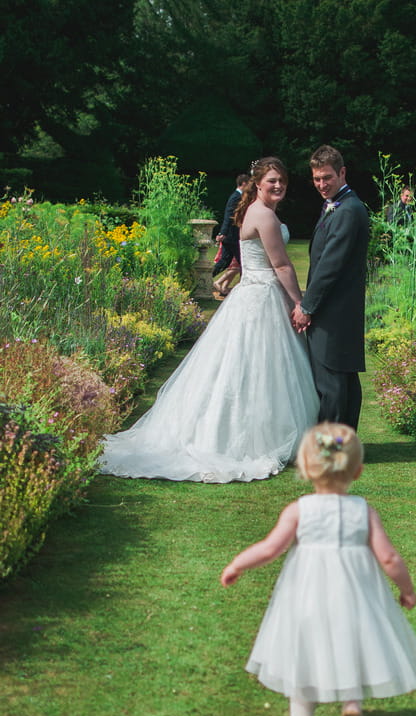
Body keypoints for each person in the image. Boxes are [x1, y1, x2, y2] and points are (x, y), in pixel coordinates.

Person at [221, 422, 416, 716]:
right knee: (350, 647)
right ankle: (351, 707)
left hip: (306, 598)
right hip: (355, 598)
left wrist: (237, 564)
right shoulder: (363, 512)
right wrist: (406, 590)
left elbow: (269, 549)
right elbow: (389, 557)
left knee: (303, 659)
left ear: (305, 468)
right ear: (359, 471)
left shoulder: (299, 511)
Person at [99, 158, 319, 483]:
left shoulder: (252, 211)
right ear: (258, 183)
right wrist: (301, 304)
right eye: (272, 180)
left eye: (282, 181)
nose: (278, 186)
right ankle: (249, 438)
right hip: (261, 298)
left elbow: (253, 259)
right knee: (259, 368)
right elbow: (282, 267)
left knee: (246, 367)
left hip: (253, 294)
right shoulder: (264, 215)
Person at [292, 146, 370, 432]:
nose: (322, 185)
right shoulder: (341, 204)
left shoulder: (347, 210)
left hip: (333, 311)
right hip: (341, 309)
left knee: (332, 382)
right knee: (344, 378)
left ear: (342, 173)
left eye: (327, 177)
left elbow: (330, 266)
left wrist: (307, 307)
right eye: (316, 179)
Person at [213, 173, 249, 296]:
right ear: (243, 184)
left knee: (225, 261)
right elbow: (229, 216)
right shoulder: (236, 197)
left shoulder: (238, 197)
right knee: (243, 263)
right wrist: (223, 232)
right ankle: (244, 289)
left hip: (232, 237)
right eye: (248, 184)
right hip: (232, 237)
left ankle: (207, 278)